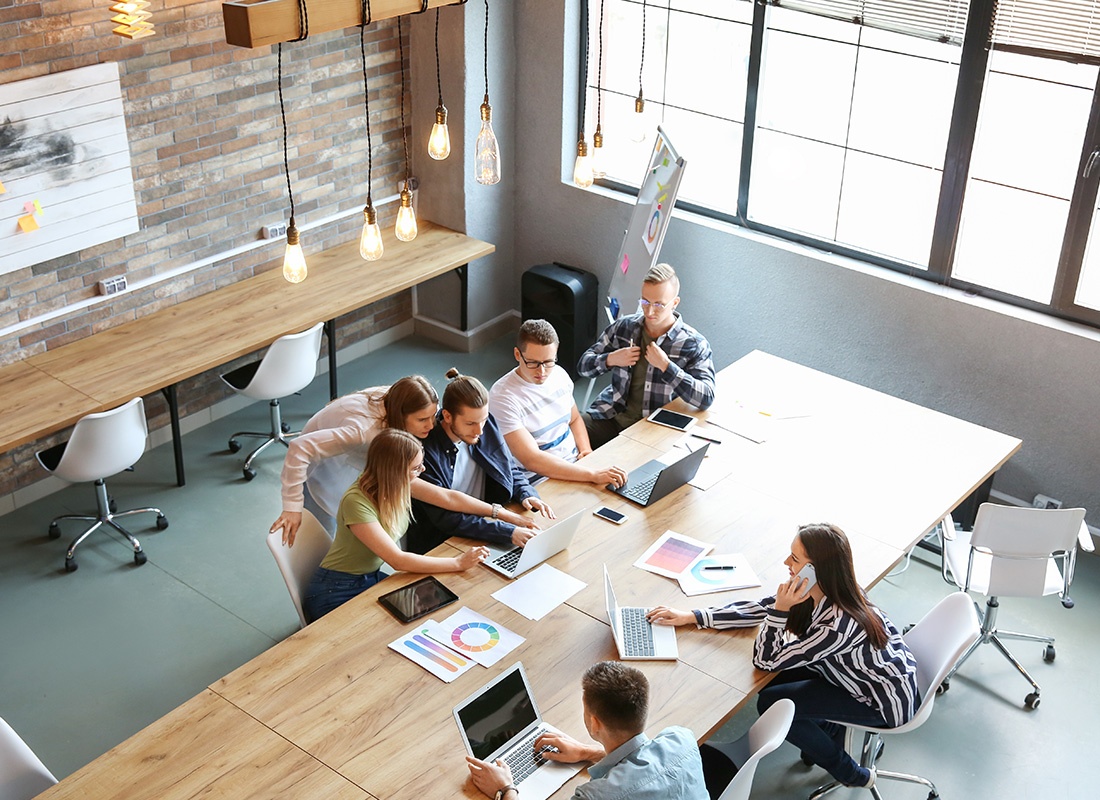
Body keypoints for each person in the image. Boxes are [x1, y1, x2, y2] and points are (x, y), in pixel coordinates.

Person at [647, 523, 920, 790]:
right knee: (773, 683)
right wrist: (692, 616)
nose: (786, 561)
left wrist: (780, 612)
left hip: (881, 702)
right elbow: (760, 608)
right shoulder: (827, 590)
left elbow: (765, 660)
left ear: (815, 570)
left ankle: (851, 774)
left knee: (770, 700)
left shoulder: (837, 626)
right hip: (850, 675)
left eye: (795, 558)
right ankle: (830, 730)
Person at [269, 375, 538, 545]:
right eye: (422, 420)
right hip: (324, 460)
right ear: (402, 416)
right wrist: (291, 506)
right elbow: (300, 448)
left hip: (366, 452)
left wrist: (501, 515)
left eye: (432, 417)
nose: (430, 427)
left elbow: (444, 497)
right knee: (326, 536)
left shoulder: (405, 417)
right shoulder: (363, 430)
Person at [301, 428, 490, 623]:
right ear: (395, 471)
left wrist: (501, 513)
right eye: (416, 468)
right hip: (335, 590)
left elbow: (449, 497)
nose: (422, 470)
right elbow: (397, 560)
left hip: (370, 577)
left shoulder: (397, 483)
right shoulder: (356, 502)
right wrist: (458, 563)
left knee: (431, 606)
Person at [466, 660, 708, 800]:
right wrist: (588, 752)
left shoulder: (596, 796)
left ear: (595, 723)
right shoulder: (681, 738)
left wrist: (504, 789)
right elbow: (645, 765)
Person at [405, 368, 555, 555]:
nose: (480, 431)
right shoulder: (422, 455)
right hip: (446, 542)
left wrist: (526, 493)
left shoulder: (485, 423)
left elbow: (507, 467)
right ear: (447, 416)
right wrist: (508, 531)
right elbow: (447, 518)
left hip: (486, 526)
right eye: (470, 424)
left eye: (483, 420)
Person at [578, 263, 716, 450]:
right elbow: (583, 366)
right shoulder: (624, 327)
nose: (649, 311)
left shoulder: (693, 344)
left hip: (653, 431)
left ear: (675, 303)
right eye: (645, 302)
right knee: (566, 435)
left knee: (623, 468)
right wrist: (611, 359)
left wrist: (667, 367)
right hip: (611, 417)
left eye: (659, 304)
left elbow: (706, 397)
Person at [489, 319, 627, 487]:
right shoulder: (502, 398)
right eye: (532, 363)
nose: (542, 371)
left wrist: (585, 451)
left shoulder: (559, 375)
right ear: (518, 355)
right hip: (540, 481)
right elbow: (532, 460)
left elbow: (574, 419)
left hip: (576, 467)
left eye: (548, 362)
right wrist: (591, 474)